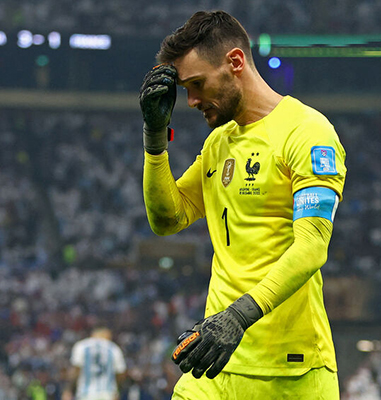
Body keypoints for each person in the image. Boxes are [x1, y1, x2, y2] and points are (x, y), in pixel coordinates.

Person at [139, 10, 347, 400]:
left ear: (235, 62)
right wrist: (154, 136)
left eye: (197, 84)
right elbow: (168, 218)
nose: (191, 101)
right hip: (214, 363)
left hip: (291, 371)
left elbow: (311, 246)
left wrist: (238, 317)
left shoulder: (308, 133)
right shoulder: (219, 143)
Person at [62, 327, 126, 400]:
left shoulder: (82, 346)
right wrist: (116, 391)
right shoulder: (114, 348)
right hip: (108, 394)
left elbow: (76, 371)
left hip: (86, 394)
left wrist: (68, 390)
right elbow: (121, 373)